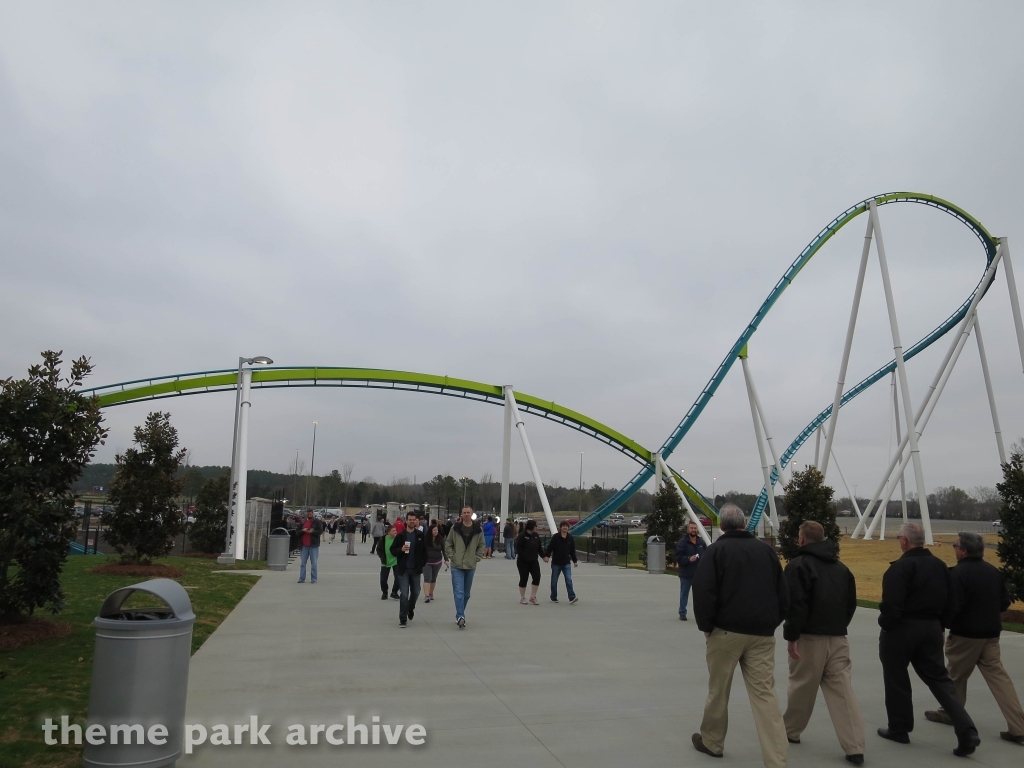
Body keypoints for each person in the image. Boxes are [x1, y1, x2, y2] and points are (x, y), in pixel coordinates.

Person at [691, 504, 789, 768]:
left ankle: (712, 741)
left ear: (722, 525)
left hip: (726, 631)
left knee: (718, 690)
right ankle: (777, 758)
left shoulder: (716, 551)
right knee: (765, 695)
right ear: (744, 523)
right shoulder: (766, 551)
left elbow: (704, 591)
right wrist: (772, 621)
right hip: (762, 633)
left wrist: (706, 625)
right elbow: (783, 592)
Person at [877, 522, 979, 756]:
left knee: (896, 680)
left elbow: (891, 606)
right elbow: (951, 603)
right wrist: (940, 626)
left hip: (901, 630)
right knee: (940, 681)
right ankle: (967, 730)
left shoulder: (900, 569)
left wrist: (886, 625)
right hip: (932, 629)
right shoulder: (941, 566)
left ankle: (899, 729)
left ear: (904, 541)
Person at [925, 531, 1024, 744]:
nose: (953, 548)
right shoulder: (993, 572)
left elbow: (953, 606)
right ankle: (1019, 727)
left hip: (965, 635)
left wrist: (944, 625)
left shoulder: (958, 574)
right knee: (1000, 679)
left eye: (955, 545)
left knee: (954, 677)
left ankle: (950, 713)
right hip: (991, 634)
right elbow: (1004, 602)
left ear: (963, 551)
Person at [782, 521, 864, 765]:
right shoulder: (841, 568)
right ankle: (855, 746)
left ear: (802, 539)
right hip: (838, 638)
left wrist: (791, 635)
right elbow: (851, 603)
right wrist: (839, 626)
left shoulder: (798, 567)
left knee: (802, 686)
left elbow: (795, 605)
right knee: (842, 691)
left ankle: (791, 730)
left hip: (809, 637)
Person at [444, 506, 484, 629]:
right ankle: (461, 616)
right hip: (457, 565)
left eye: (468, 512)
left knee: (466, 594)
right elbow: (448, 543)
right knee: (459, 592)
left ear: (471, 514)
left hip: (470, 565)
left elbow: (481, 545)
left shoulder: (478, 529)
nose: (466, 514)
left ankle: (459, 614)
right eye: (464, 513)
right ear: (461, 515)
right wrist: (452, 556)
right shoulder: (455, 528)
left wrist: (477, 557)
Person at [391, 512, 427, 627]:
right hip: (403, 570)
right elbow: (393, 550)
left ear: (416, 521)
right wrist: (400, 549)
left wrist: (421, 564)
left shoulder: (420, 535)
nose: (412, 521)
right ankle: (403, 618)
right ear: (406, 521)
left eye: (413, 520)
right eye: (410, 520)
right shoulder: (400, 536)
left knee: (416, 592)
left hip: (415, 570)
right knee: (404, 595)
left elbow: (425, 552)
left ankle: (410, 608)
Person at [675, 520, 706, 621]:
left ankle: (700, 614)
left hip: (698, 574)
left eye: (695, 528)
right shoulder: (682, 542)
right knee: (684, 594)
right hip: (686, 574)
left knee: (699, 596)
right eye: (692, 528)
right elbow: (678, 557)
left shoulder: (701, 542)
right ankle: (682, 612)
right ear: (688, 529)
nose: (693, 530)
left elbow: (706, 555)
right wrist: (688, 559)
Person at [544, 520, 579, 604]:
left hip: (566, 562)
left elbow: (572, 551)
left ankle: (572, 597)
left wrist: (575, 561)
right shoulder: (556, 537)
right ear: (560, 527)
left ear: (568, 528)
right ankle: (553, 596)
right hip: (556, 562)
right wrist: (547, 556)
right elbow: (550, 547)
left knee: (569, 579)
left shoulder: (570, 538)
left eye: (566, 526)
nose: (565, 528)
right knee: (554, 580)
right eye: (563, 526)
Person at [516, 520, 544, 604]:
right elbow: (518, 547)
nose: (537, 527)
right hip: (523, 561)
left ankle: (533, 596)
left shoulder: (536, 536)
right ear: (531, 526)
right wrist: (524, 555)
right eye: (536, 526)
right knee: (524, 578)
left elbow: (539, 548)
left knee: (537, 577)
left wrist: (544, 556)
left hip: (534, 561)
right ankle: (522, 597)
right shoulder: (522, 536)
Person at [422, 520, 448, 603]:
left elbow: (444, 550)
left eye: (436, 530)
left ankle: (431, 593)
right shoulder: (425, 538)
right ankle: (426, 596)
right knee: (427, 578)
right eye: (434, 530)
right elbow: (421, 550)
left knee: (433, 578)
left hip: (437, 562)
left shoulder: (440, 539)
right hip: (426, 562)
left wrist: (446, 559)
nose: (435, 531)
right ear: (430, 531)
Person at [297, 509, 325, 584]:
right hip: (304, 546)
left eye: (310, 514)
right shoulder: (302, 522)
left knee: (314, 563)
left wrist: (312, 531)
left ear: (312, 514)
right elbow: (297, 532)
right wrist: (303, 531)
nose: (309, 515)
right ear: (306, 514)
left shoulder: (317, 522)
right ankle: (301, 578)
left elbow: (320, 531)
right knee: (303, 563)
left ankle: (314, 578)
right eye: (308, 514)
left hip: (313, 546)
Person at [376, 524, 400, 600]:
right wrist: (381, 557)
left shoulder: (398, 539)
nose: (395, 532)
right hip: (385, 561)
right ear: (388, 532)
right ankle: (384, 592)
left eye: (395, 530)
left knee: (398, 578)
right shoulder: (383, 539)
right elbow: (378, 549)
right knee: (383, 579)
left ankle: (394, 592)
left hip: (396, 561)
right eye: (393, 531)